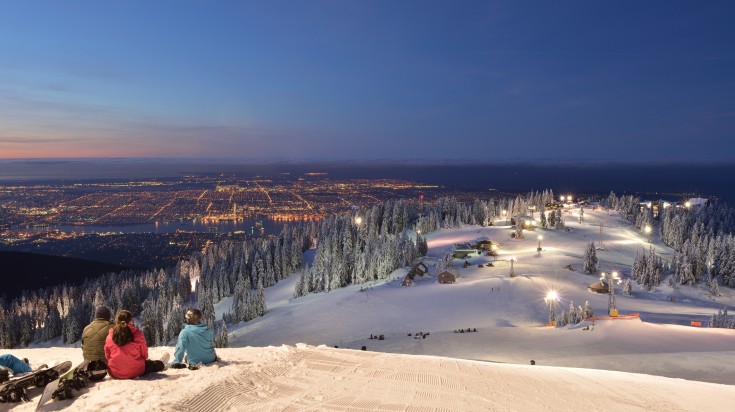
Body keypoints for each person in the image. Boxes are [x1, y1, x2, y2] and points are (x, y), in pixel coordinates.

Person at [104, 310, 166, 379]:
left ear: (117, 321)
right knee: (151, 365)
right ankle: (161, 363)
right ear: (130, 321)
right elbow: (144, 355)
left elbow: (107, 355)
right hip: (135, 371)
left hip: (114, 373)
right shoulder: (138, 334)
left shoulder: (110, 336)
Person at [82, 306, 114, 380]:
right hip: (105, 365)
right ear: (108, 316)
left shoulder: (86, 328)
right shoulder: (112, 327)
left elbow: (83, 346)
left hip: (88, 364)